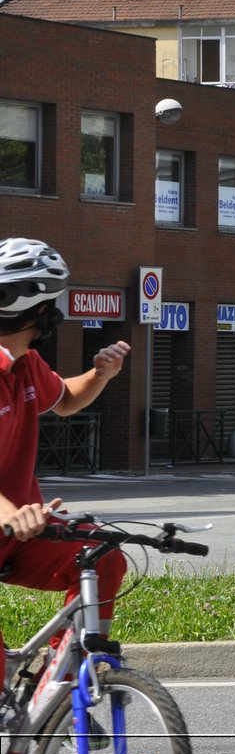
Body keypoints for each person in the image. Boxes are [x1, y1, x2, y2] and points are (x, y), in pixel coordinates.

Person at [0, 238, 131, 643]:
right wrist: (8, 511)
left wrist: (100, 375)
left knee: (102, 556)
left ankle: (71, 674)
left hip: (17, 533)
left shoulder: (25, 364)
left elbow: (65, 400)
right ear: (42, 311)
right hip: (11, 522)